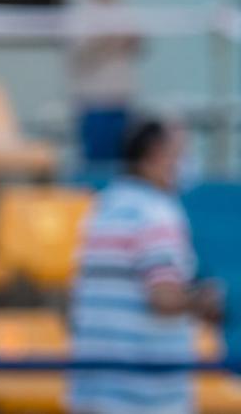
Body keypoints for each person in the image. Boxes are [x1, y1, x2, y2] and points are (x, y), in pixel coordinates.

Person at [69, 118, 224, 414]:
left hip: (93, 387)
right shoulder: (157, 213)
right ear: (156, 154)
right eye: (180, 153)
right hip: (143, 395)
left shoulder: (101, 208)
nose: (185, 164)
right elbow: (163, 298)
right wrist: (202, 301)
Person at [68, 0, 144, 170]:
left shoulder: (123, 6)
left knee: (122, 166)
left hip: (121, 99)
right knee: (96, 167)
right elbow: (78, 51)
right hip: (96, 101)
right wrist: (108, 38)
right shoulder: (86, 7)